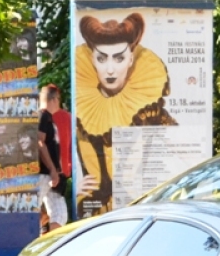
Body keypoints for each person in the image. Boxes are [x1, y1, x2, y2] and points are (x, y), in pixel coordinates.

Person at [74, 12, 175, 212]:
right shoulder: (83, 112)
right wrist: (78, 185)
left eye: (119, 58)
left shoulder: (151, 111)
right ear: (93, 60)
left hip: (141, 210)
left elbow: (175, 161)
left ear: (131, 59)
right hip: (96, 213)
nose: (110, 69)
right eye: (102, 59)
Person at [37, 84, 68, 233]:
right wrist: (52, 169)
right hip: (43, 173)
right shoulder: (42, 115)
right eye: (59, 99)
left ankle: (51, 242)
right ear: (54, 99)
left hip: (52, 175)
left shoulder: (48, 118)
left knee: (60, 214)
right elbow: (40, 142)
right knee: (33, 209)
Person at [50, 87, 74, 222]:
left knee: (53, 213)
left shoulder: (38, 116)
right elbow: (71, 146)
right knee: (58, 214)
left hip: (44, 172)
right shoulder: (67, 118)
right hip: (60, 171)